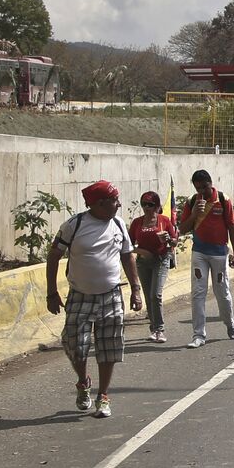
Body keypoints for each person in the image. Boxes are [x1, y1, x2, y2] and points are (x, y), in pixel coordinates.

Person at [45, 180, 142, 419]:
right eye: (114, 200)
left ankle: (103, 395)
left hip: (111, 295)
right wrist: (51, 292)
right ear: (99, 204)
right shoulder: (74, 225)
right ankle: (83, 381)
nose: (118, 204)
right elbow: (54, 255)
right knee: (75, 346)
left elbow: (127, 256)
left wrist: (136, 289)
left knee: (109, 347)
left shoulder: (118, 224)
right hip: (80, 296)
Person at [179, 169, 234, 348]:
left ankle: (229, 322)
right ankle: (198, 335)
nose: (202, 191)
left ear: (211, 183)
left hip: (220, 254)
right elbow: (182, 229)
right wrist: (194, 214)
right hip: (199, 253)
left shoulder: (223, 199)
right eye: (198, 188)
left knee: (222, 292)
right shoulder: (192, 202)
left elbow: (232, 226)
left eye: (204, 187)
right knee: (198, 293)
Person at [128, 190, 178, 343]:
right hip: (143, 262)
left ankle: (160, 329)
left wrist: (168, 239)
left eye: (150, 205)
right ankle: (153, 328)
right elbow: (127, 245)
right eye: (144, 204)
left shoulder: (164, 221)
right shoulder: (137, 223)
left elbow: (174, 241)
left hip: (161, 260)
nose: (146, 208)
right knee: (149, 296)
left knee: (156, 295)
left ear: (157, 206)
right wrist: (141, 251)